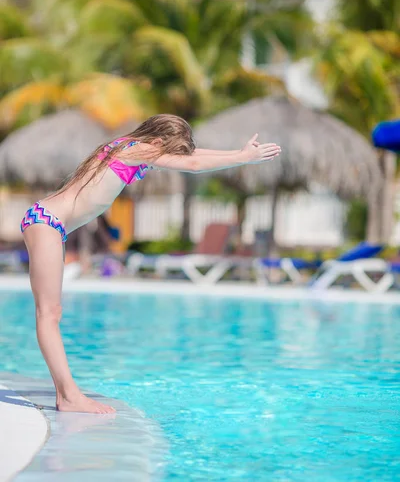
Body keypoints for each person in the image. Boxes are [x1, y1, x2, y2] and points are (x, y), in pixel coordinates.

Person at [20, 114, 281, 414]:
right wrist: (242, 159)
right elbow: (193, 165)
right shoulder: (134, 149)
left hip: (48, 222)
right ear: (157, 142)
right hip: (47, 222)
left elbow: (193, 155)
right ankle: (68, 396)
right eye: (167, 151)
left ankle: (66, 394)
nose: (168, 158)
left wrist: (240, 155)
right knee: (49, 313)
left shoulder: (130, 148)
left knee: (51, 312)